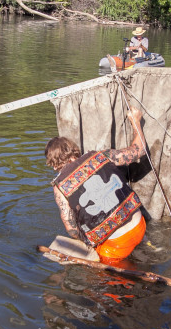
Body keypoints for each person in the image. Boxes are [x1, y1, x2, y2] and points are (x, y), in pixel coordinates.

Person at [45, 107, 147, 263]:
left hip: (115, 246)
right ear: (74, 150)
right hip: (139, 225)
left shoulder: (60, 188)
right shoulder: (101, 156)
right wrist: (136, 121)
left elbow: (71, 229)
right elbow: (138, 150)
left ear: (53, 165)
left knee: (105, 279)